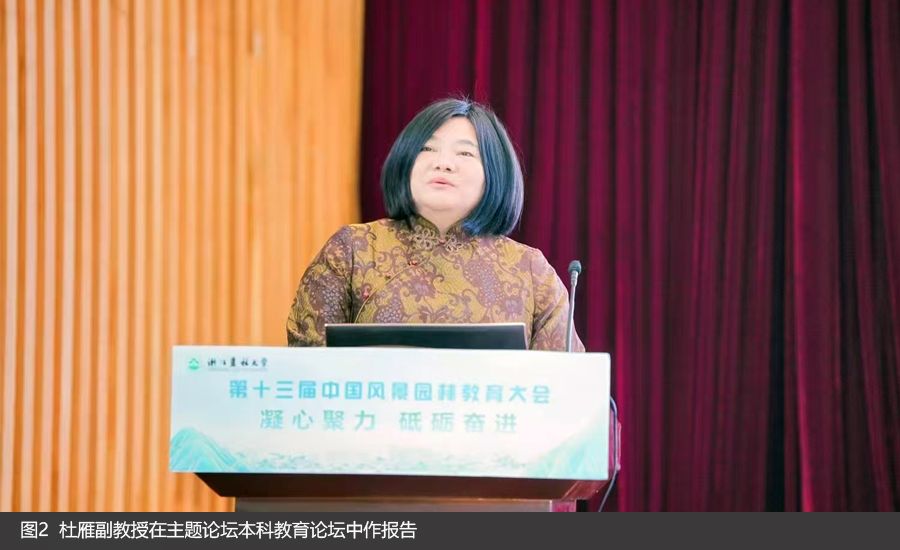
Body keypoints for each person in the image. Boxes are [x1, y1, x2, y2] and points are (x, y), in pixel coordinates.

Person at [287, 98, 584, 352]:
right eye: (427, 149)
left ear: (495, 171)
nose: (443, 163)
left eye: (465, 153)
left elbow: (567, 385)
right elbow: (307, 367)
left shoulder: (530, 271)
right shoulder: (353, 250)